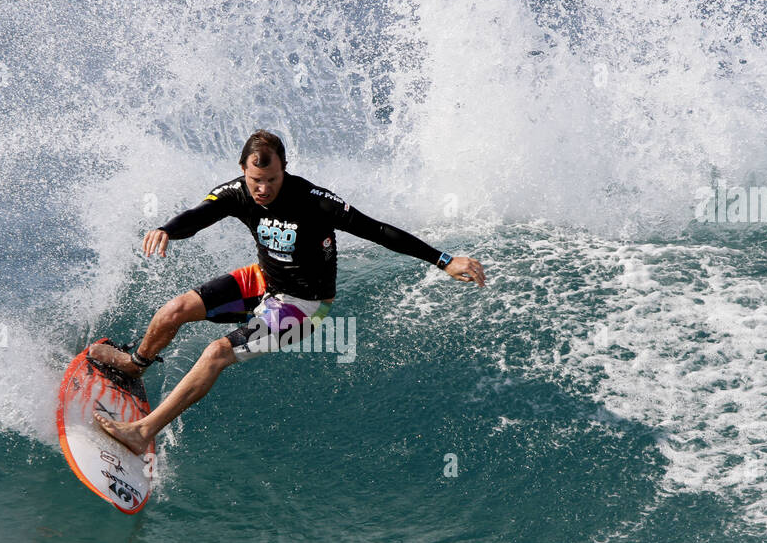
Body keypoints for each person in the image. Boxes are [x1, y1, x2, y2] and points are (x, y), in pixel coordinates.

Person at [91, 129, 486, 454]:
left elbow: (379, 230)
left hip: (304, 305)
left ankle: (143, 432)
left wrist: (443, 260)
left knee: (214, 353)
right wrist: (167, 229)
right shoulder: (236, 192)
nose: (262, 189)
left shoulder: (315, 201)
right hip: (264, 279)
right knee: (174, 310)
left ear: (285, 171)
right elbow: (199, 215)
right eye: (255, 180)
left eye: (271, 180)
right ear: (242, 171)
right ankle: (133, 364)